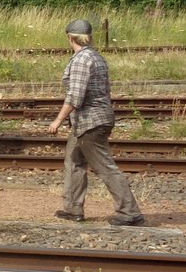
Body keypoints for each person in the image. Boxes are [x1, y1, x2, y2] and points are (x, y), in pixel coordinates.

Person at [48, 19, 145, 226]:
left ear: (70, 37)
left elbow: (76, 96)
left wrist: (57, 120)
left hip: (90, 122)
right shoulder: (96, 57)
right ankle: (73, 208)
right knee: (73, 161)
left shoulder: (82, 60)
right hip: (87, 121)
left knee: (105, 167)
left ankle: (130, 212)